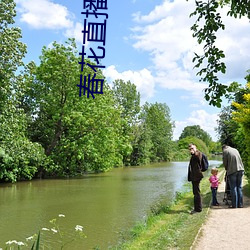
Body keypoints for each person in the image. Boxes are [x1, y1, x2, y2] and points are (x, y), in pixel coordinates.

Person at [188, 143, 204, 214]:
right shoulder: (194, 155)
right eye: (190, 149)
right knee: (196, 192)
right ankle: (197, 208)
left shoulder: (198, 154)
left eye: (192, 148)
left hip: (196, 176)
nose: (191, 150)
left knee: (196, 192)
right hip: (195, 176)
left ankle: (198, 209)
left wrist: (194, 152)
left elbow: (198, 158)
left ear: (195, 148)